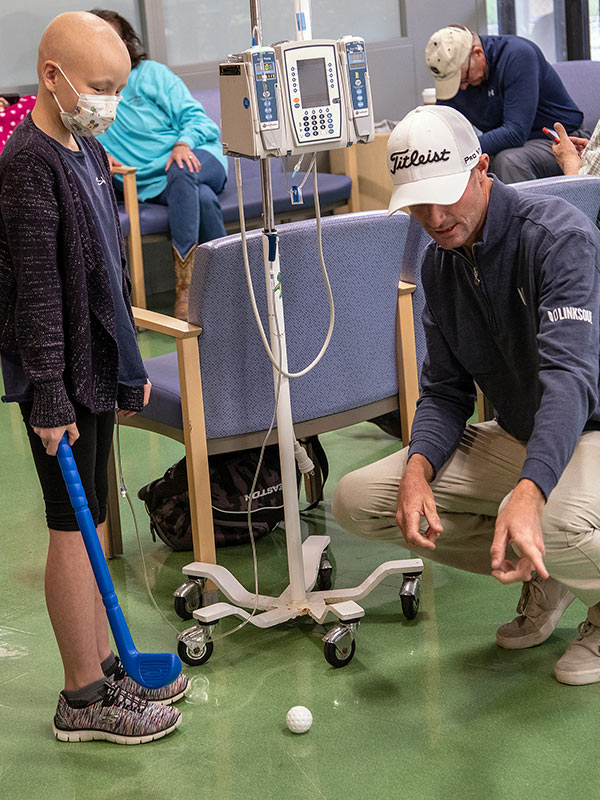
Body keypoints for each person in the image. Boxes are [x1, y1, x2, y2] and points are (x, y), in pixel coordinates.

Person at [333, 103, 600, 686]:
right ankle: (549, 574)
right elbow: (447, 391)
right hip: (523, 433)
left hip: (591, 430)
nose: (434, 216)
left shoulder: (558, 238)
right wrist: (417, 466)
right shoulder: (440, 265)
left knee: (553, 518)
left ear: (482, 169)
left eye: (446, 194)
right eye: (418, 205)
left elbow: (570, 378)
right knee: (362, 499)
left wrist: (530, 491)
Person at [0, 11, 188, 743]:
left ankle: (106, 663)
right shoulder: (28, 165)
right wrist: (49, 395)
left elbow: (107, 273)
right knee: (70, 529)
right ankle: (81, 697)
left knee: (92, 523)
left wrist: (129, 362)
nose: (109, 100)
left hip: (93, 368)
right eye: (101, 86)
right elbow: (38, 294)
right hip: (59, 380)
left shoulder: (82, 143)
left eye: (118, 87)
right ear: (53, 76)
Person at [91, 9, 228, 320]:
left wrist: (182, 143)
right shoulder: (89, 92)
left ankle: (186, 290)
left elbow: (197, 119)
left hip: (197, 156)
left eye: (113, 39)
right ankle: (226, 288)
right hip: (150, 182)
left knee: (183, 171)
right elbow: (78, 135)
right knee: (202, 199)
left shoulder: (153, 74)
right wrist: (96, 151)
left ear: (127, 42)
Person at [424, 25, 586, 184]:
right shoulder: (459, 72)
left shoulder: (517, 55)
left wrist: (462, 152)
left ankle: (526, 211)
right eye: (453, 83)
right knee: (448, 164)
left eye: (463, 79)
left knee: (508, 161)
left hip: (560, 140)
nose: (462, 87)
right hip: (515, 143)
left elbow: (515, 132)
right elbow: (444, 130)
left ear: (477, 53)